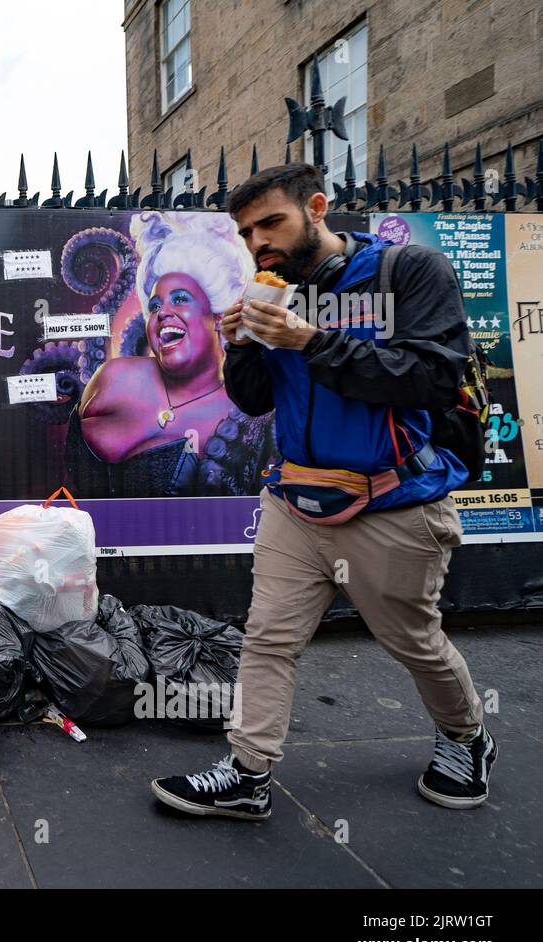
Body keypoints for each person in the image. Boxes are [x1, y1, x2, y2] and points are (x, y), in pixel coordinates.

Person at [150, 163, 495, 819]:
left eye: (270, 223)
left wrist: (312, 341)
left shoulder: (408, 272)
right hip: (295, 501)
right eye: (247, 232)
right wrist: (242, 344)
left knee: (414, 641)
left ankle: (466, 734)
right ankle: (249, 774)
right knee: (267, 639)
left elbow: (427, 377)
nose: (258, 243)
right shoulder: (273, 292)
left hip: (395, 501)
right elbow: (253, 401)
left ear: (316, 207)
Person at [66, 212, 274, 496]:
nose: (162, 312)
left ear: (216, 316)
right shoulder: (116, 378)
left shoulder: (249, 408)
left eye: (180, 299)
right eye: (154, 306)